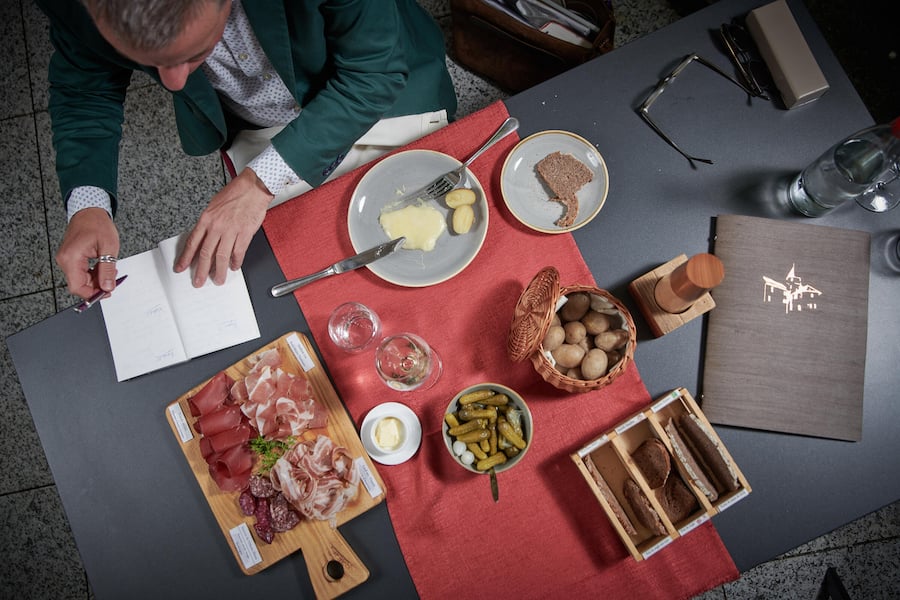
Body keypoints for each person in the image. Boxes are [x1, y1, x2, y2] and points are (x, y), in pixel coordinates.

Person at [37, 0, 457, 299]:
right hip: (261, 127)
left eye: (194, 54)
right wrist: (88, 205)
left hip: (390, 94)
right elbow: (84, 88)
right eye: (151, 62)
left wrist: (259, 182)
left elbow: (374, 74)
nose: (174, 85)